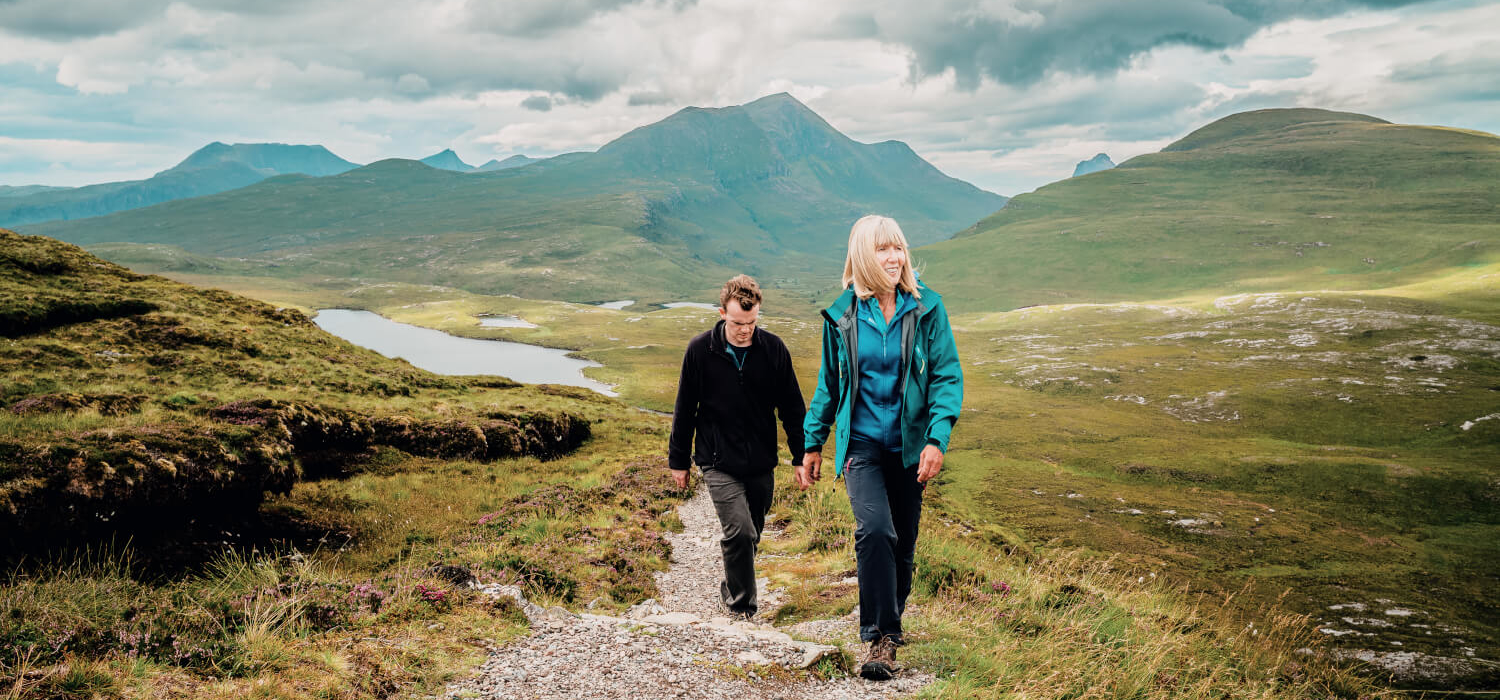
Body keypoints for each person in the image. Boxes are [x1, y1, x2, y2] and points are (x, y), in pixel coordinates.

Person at [797, 215, 963, 681]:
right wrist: (814, 442)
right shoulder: (843, 316)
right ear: (862, 256)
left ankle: (887, 621)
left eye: (899, 248)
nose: (894, 257)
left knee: (903, 546)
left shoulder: (927, 309)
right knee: (876, 531)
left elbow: (947, 376)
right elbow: (829, 385)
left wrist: (936, 437)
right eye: (883, 249)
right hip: (863, 447)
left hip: (910, 449)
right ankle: (880, 638)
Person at [669, 274, 807, 620]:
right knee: (741, 531)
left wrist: (801, 456)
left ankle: (731, 586)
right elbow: (685, 408)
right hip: (717, 460)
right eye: (737, 323)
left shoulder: (773, 349)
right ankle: (742, 607)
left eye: (751, 322)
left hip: (761, 462)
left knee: (752, 535)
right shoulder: (700, 350)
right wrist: (679, 461)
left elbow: (792, 408)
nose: (745, 330)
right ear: (722, 313)